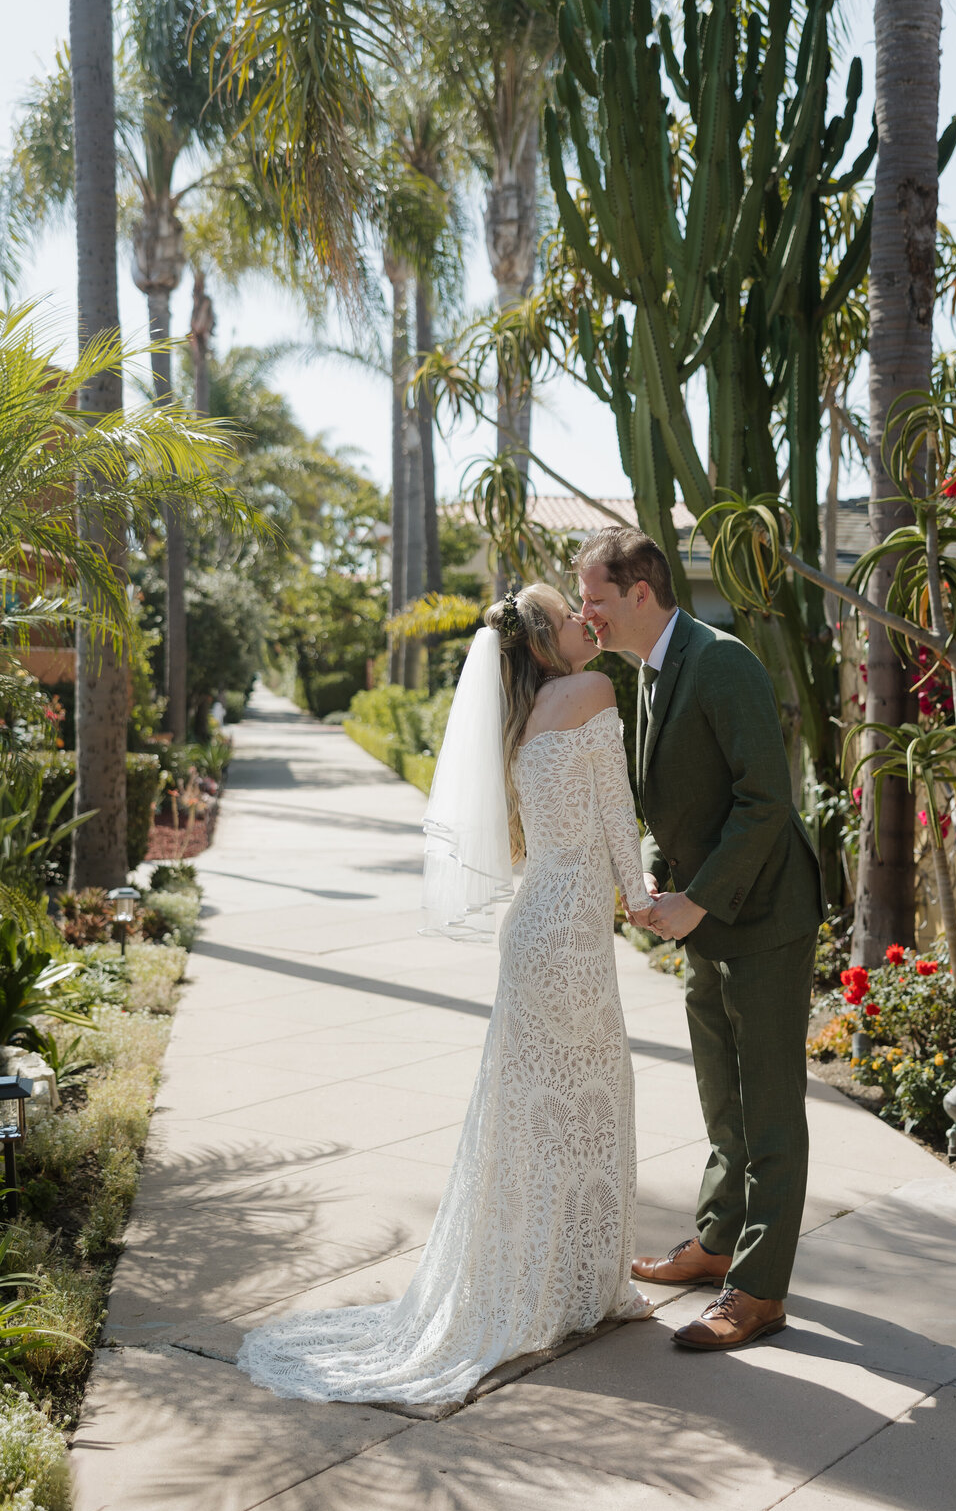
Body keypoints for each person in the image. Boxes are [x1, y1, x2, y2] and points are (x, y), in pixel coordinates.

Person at [237, 583, 656, 1407]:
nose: (587, 620)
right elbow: (617, 813)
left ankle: (533, 1288)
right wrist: (643, 902)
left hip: (533, 928)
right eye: (572, 616)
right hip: (571, 935)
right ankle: (580, 1289)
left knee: (529, 1115)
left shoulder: (520, 719)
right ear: (544, 643)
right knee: (589, 1103)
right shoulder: (595, 691)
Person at [577, 527, 824, 1352]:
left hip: (763, 919)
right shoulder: (645, 677)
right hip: (705, 921)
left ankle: (759, 1291)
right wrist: (657, 879)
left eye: (597, 600)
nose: (588, 616)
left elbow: (766, 801)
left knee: (770, 1108)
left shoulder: (722, 663)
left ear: (641, 592)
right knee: (722, 1098)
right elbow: (670, 804)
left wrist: (701, 901)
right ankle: (718, 1242)